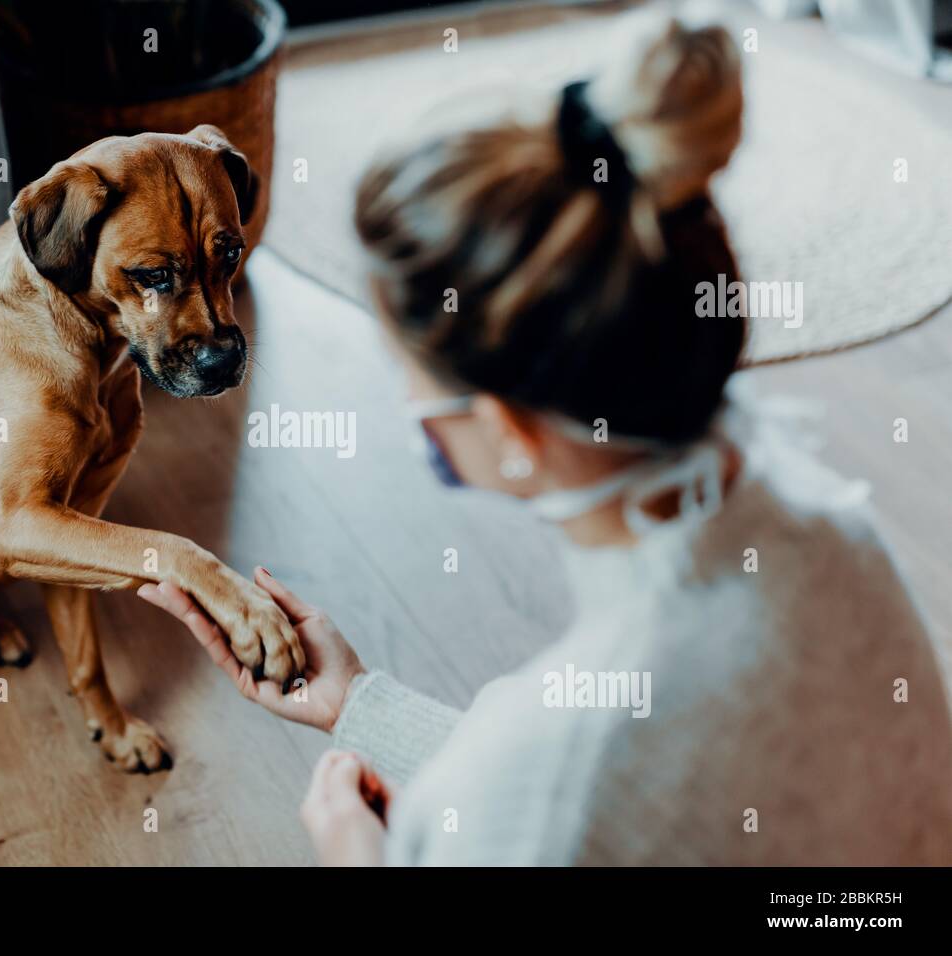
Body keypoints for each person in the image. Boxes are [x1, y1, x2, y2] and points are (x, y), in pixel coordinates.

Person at [139, 17, 952, 865]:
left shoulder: (532, 791)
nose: (406, 400)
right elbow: (627, 790)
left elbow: (559, 795)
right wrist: (361, 703)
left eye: (410, 370)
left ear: (505, 425)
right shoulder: (832, 533)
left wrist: (361, 854)